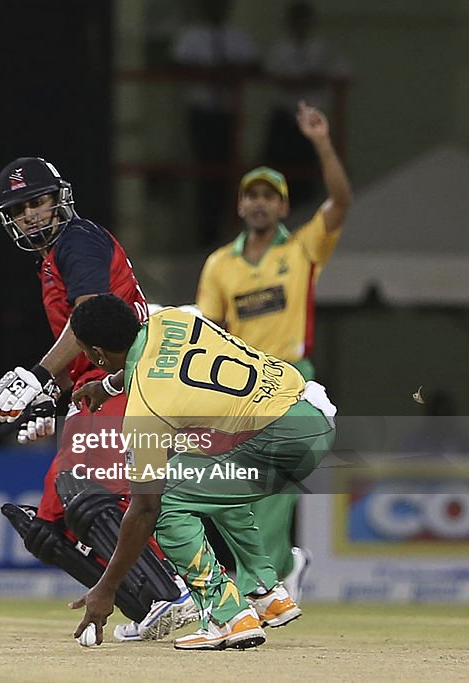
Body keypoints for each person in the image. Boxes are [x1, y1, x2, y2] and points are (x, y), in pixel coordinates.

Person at [0, 156, 196, 641]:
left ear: (59, 199)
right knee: (49, 529)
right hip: (100, 389)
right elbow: (81, 351)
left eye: (37, 202)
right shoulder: (52, 260)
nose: (31, 215)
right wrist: (45, 400)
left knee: (86, 491)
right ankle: (151, 607)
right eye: (19, 209)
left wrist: (35, 376)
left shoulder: (78, 241)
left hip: (128, 381)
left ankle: (178, 595)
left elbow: (93, 320)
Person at [67, 294, 337, 650]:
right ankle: (266, 592)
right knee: (206, 473)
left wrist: (107, 587)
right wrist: (109, 385)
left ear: (96, 353)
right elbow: (153, 355)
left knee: (162, 500)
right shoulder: (173, 319)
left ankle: (227, 615)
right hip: (312, 414)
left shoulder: (145, 410)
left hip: (279, 441)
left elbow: (144, 511)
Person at [196, 99, 352, 604]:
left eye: (270, 196)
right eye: (252, 196)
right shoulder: (221, 264)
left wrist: (322, 142)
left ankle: (255, 588)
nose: (260, 203)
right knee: (242, 492)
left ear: (284, 206)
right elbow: (209, 331)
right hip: (239, 388)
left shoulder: (301, 250)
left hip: (291, 382)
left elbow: (342, 201)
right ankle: (284, 566)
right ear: (240, 205)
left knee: (273, 488)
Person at [171, 0, 259, 246]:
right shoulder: (191, 36)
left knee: (228, 173)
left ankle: (228, 231)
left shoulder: (237, 37)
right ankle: (205, 233)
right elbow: (178, 66)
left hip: (229, 113)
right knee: (205, 172)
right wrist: (208, 73)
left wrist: (228, 72)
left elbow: (254, 66)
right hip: (201, 113)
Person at [263, 1, 352, 205]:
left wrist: (313, 78)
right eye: (297, 22)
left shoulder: (323, 49)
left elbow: (344, 72)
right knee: (280, 171)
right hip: (285, 118)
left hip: (311, 121)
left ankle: (305, 213)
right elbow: (273, 75)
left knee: (309, 174)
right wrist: (301, 80)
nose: (300, 26)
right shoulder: (279, 49)